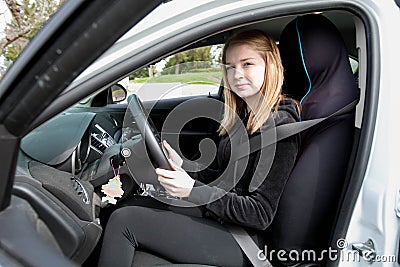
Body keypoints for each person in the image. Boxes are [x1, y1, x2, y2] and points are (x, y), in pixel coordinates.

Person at [98, 30, 300, 267]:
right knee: (130, 204)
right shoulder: (243, 118)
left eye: (248, 64)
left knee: (125, 221)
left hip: (245, 240)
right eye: (230, 67)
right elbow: (217, 175)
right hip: (223, 217)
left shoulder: (281, 128)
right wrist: (184, 167)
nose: (237, 75)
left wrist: (193, 190)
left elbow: (260, 213)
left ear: (270, 66)